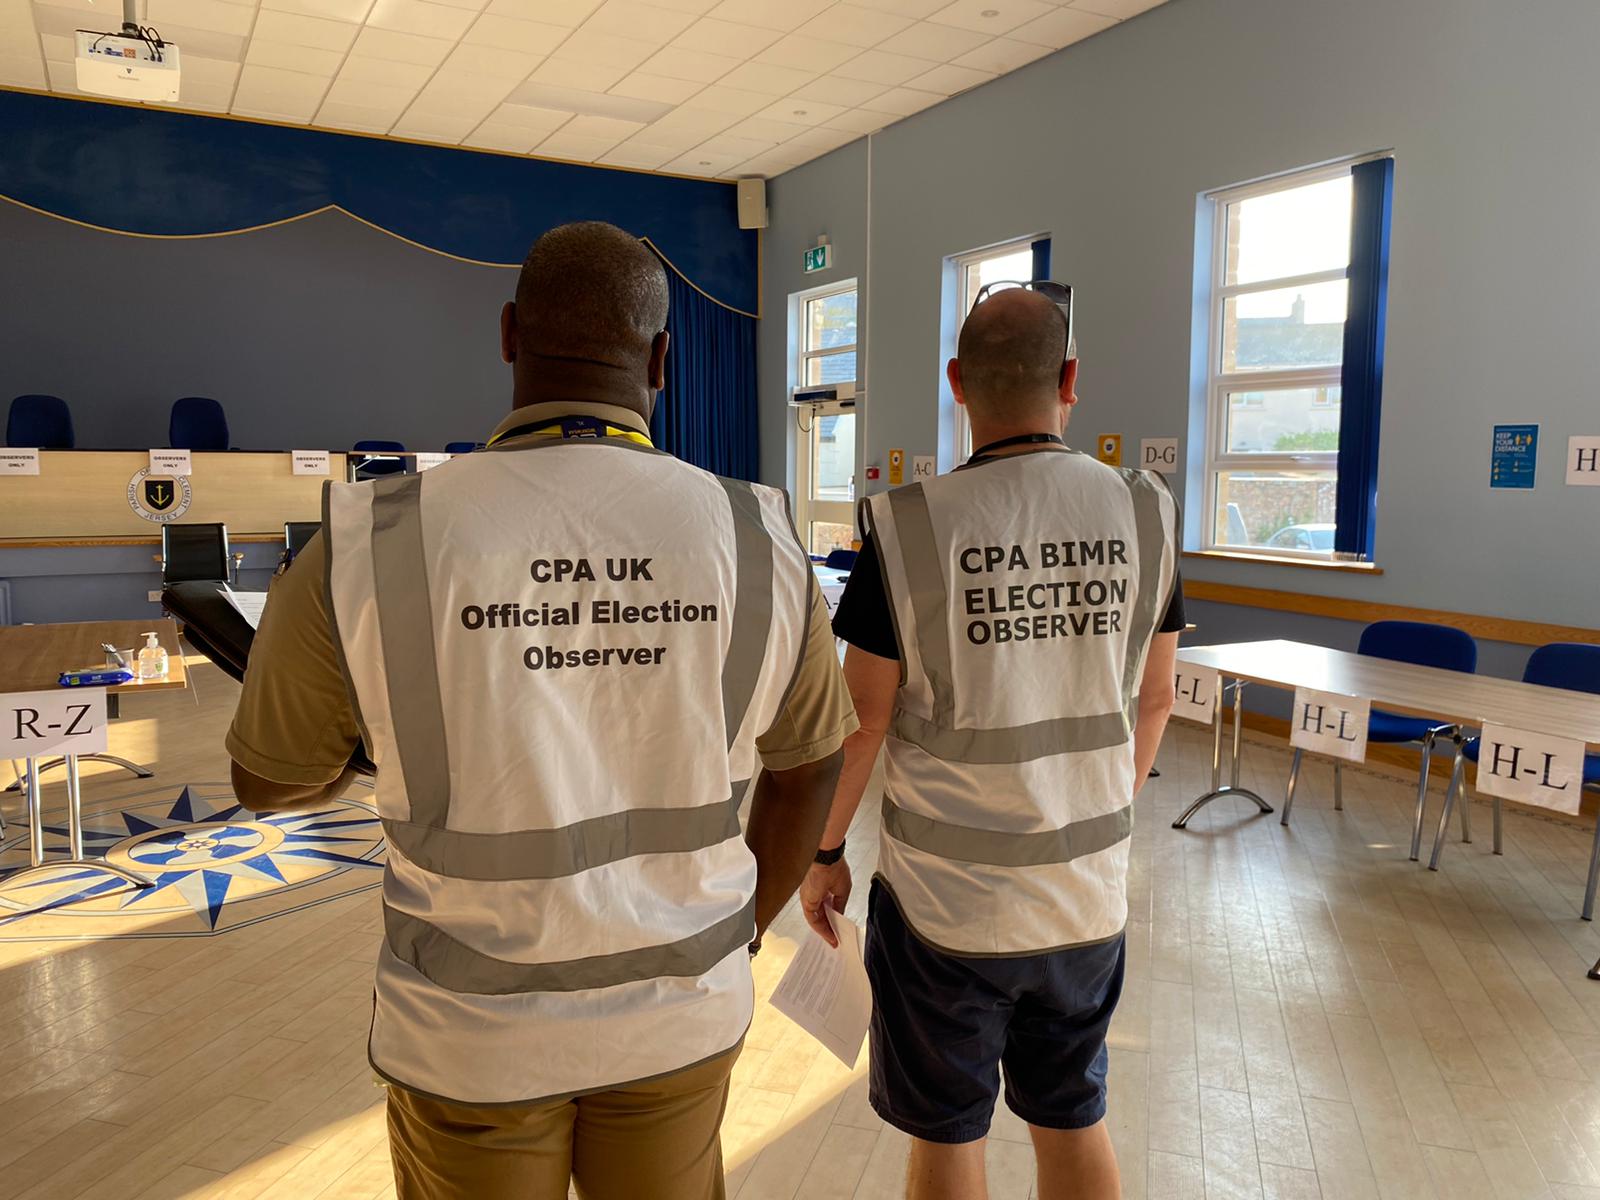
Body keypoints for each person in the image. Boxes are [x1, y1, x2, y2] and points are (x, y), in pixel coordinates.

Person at [226, 221, 856, 1200]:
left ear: (511, 336)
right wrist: (742, 934)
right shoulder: (760, 534)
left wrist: (371, 742)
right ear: (661, 359)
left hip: (471, 1034)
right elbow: (809, 764)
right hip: (680, 1012)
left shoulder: (367, 538)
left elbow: (268, 781)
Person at [799, 285, 1183, 1200]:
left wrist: (822, 854)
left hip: (948, 911)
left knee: (946, 1139)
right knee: (1073, 1120)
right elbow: (1159, 698)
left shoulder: (907, 525)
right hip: (1084, 899)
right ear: (1072, 380)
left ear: (957, 383)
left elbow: (863, 724)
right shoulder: (1146, 513)